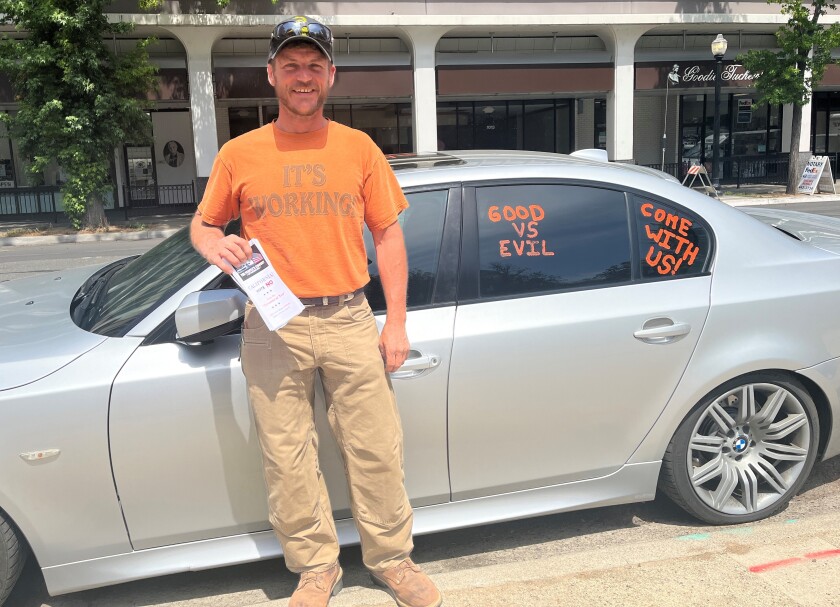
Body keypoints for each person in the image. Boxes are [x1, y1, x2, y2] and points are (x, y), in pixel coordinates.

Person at [189, 16, 443, 607]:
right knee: (286, 452)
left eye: (313, 66)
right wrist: (213, 243)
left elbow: (388, 237)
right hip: (272, 324)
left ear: (331, 75)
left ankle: (392, 560)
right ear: (271, 74)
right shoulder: (239, 153)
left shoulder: (358, 148)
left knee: (376, 446)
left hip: (350, 316)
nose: (302, 77)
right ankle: (314, 569)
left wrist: (397, 321)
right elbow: (202, 224)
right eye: (291, 65)